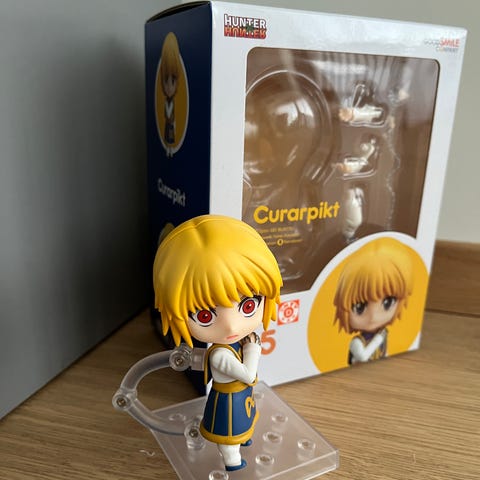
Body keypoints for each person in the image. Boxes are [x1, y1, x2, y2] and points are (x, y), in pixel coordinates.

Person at [153, 215, 282, 471]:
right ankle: (232, 462)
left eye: (248, 305)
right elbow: (248, 374)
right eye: (205, 316)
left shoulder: (233, 342)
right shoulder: (219, 355)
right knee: (228, 436)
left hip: (240, 398)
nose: (231, 327)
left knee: (245, 423)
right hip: (228, 401)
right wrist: (252, 349)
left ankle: (243, 440)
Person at [333, 238, 413, 364]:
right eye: (359, 307)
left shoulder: (382, 335)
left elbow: (384, 352)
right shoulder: (357, 342)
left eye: (388, 302)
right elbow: (363, 357)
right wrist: (378, 340)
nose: (373, 317)